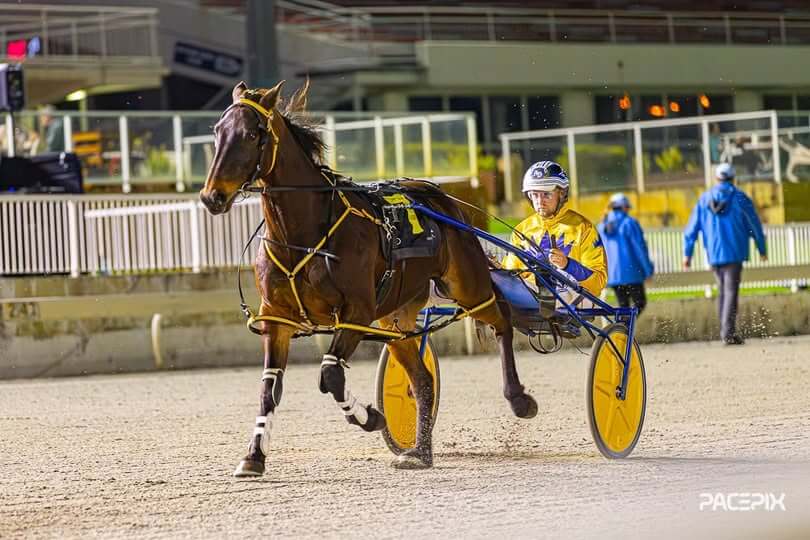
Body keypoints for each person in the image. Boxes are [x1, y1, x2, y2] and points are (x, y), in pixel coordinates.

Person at [683, 163, 767, 345]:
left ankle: (725, 330)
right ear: (733, 178)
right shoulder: (740, 198)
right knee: (730, 292)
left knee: (722, 290)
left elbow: (691, 229)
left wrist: (687, 254)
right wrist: (762, 248)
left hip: (713, 253)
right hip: (734, 252)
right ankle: (728, 333)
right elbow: (754, 226)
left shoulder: (704, 199)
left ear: (716, 179)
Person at [502, 160, 607, 299]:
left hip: (575, 301)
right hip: (532, 303)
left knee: (555, 297)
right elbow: (511, 279)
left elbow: (599, 281)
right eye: (534, 194)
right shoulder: (521, 230)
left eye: (547, 194)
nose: (540, 201)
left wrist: (568, 265)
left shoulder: (583, 228)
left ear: (562, 194)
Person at [597, 193, 654, 314]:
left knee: (624, 307)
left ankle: (622, 330)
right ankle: (624, 329)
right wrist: (648, 270)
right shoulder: (630, 223)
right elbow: (640, 248)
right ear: (623, 207)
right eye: (627, 207)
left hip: (613, 276)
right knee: (640, 303)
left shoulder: (601, 225)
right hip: (632, 274)